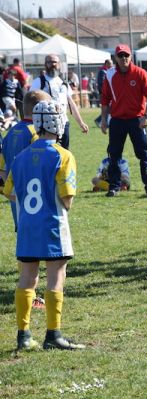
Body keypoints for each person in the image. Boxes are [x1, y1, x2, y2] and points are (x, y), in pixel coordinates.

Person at [3, 100, 85, 351]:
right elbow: (67, 199)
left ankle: (24, 335)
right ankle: (53, 334)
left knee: (27, 278)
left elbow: (10, 192)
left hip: (27, 225)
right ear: (56, 122)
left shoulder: (20, 157)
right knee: (56, 276)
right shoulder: (63, 155)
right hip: (52, 224)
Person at [100, 44, 147, 198]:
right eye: (120, 56)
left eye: (126, 55)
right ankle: (114, 187)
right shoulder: (110, 75)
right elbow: (105, 99)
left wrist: (146, 116)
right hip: (117, 120)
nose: (124, 58)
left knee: (143, 155)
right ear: (115, 58)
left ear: (131, 57)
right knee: (114, 154)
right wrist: (104, 120)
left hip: (137, 120)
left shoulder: (140, 73)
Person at [0, 90, 51, 228]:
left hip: (15, 198)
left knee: (23, 241)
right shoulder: (37, 133)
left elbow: (2, 169)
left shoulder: (10, 132)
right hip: (35, 200)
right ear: (39, 109)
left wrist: (13, 190)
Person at [29, 54, 89, 150]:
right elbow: (29, 101)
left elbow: (71, 104)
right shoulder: (39, 82)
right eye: (49, 62)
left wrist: (81, 123)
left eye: (54, 62)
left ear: (59, 64)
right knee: (49, 151)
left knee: (64, 152)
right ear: (45, 64)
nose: (52, 64)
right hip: (46, 125)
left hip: (63, 124)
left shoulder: (64, 83)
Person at [94, 59, 113, 128]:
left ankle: (102, 121)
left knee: (109, 108)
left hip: (109, 93)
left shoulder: (109, 71)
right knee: (107, 107)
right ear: (106, 64)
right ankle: (99, 120)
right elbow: (101, 83)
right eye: (110, 64)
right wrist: (103, 93)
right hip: (104, 93)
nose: (111, 65)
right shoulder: (103, 72)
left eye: (112, 63)